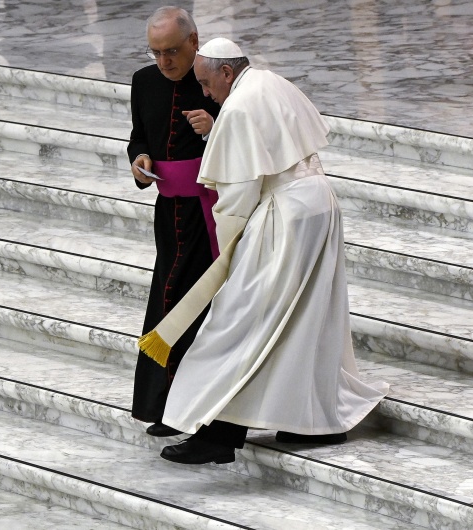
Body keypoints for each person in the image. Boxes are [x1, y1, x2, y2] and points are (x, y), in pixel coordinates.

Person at [150, 38, 389, 464]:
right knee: (308, 320)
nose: (205, 93)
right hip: (318, 204)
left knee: (239, 320)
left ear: (227, 71)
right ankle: (315, 423)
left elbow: (237, 194)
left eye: (207, 83)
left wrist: (229, 247)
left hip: (284, 219)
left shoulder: (239, 107)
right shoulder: (269, 81)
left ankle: (218, 435)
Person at [128, 7, 221, 438]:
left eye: (171, 51)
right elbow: (139, 136)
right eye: (156, 52)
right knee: (166, 300)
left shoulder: (215, 80)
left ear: (194, 42)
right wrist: (139, 159)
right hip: (169, 213)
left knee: (197, 305)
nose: (163, 62)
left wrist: (214, 128)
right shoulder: (143, 82)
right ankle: (164, 406)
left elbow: (248, 140)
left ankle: (200, 409)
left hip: (211, 215)